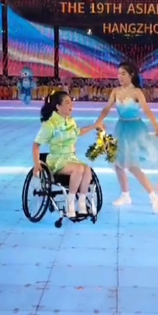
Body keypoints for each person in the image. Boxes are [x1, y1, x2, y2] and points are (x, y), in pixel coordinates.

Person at [94, 62, 158, 212]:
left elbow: (147, 110)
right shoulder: (115, 91)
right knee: (118, 164)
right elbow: (106, 109)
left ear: (131, 75)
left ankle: (154, 196)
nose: (120, 77)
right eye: (118, 73)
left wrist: (156, 127)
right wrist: (99, 121)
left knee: (132, 165)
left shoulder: (137, 92)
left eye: (123, 74)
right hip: (121, 128)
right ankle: (125, 195)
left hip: (135, 130)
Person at [33, 90, 103, 219]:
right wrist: (37, 164)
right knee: (79, 169)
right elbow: (36, 145)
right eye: (67, 103)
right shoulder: (50, 125)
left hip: (70, 158)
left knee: (87, 170)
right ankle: (70, 203)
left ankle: (81, 202)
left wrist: (94, 126)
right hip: (56, 160)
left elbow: (78, 132)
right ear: (58, 107)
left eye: (71, 102)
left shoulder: (71, 121)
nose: (71, 106)